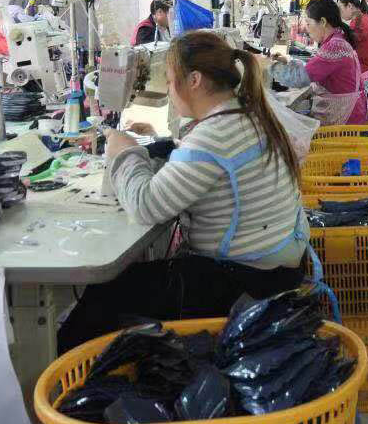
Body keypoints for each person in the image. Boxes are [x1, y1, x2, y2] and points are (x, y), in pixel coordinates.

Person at [59, 31, 306, 351]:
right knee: (136, 282)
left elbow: (146, 206)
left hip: (244, 283)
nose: (169, 91)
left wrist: (124, 153)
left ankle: (66, 385)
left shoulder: (213, 135)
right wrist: (166, 145)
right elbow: (210, 162)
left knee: (104, 293)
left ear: (194, 80)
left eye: (171, 80)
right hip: (276, 270)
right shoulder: (244, 113)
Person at [273, 0, 368, 125]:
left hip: (346, 121)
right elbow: (315, 69)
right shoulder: (337, 40)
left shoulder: (335, 46)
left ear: (322, 22)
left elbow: (299, 78)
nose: (306, 28)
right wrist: (287, 62)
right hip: (351, 113)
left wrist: (268, 67)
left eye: (308, 23)